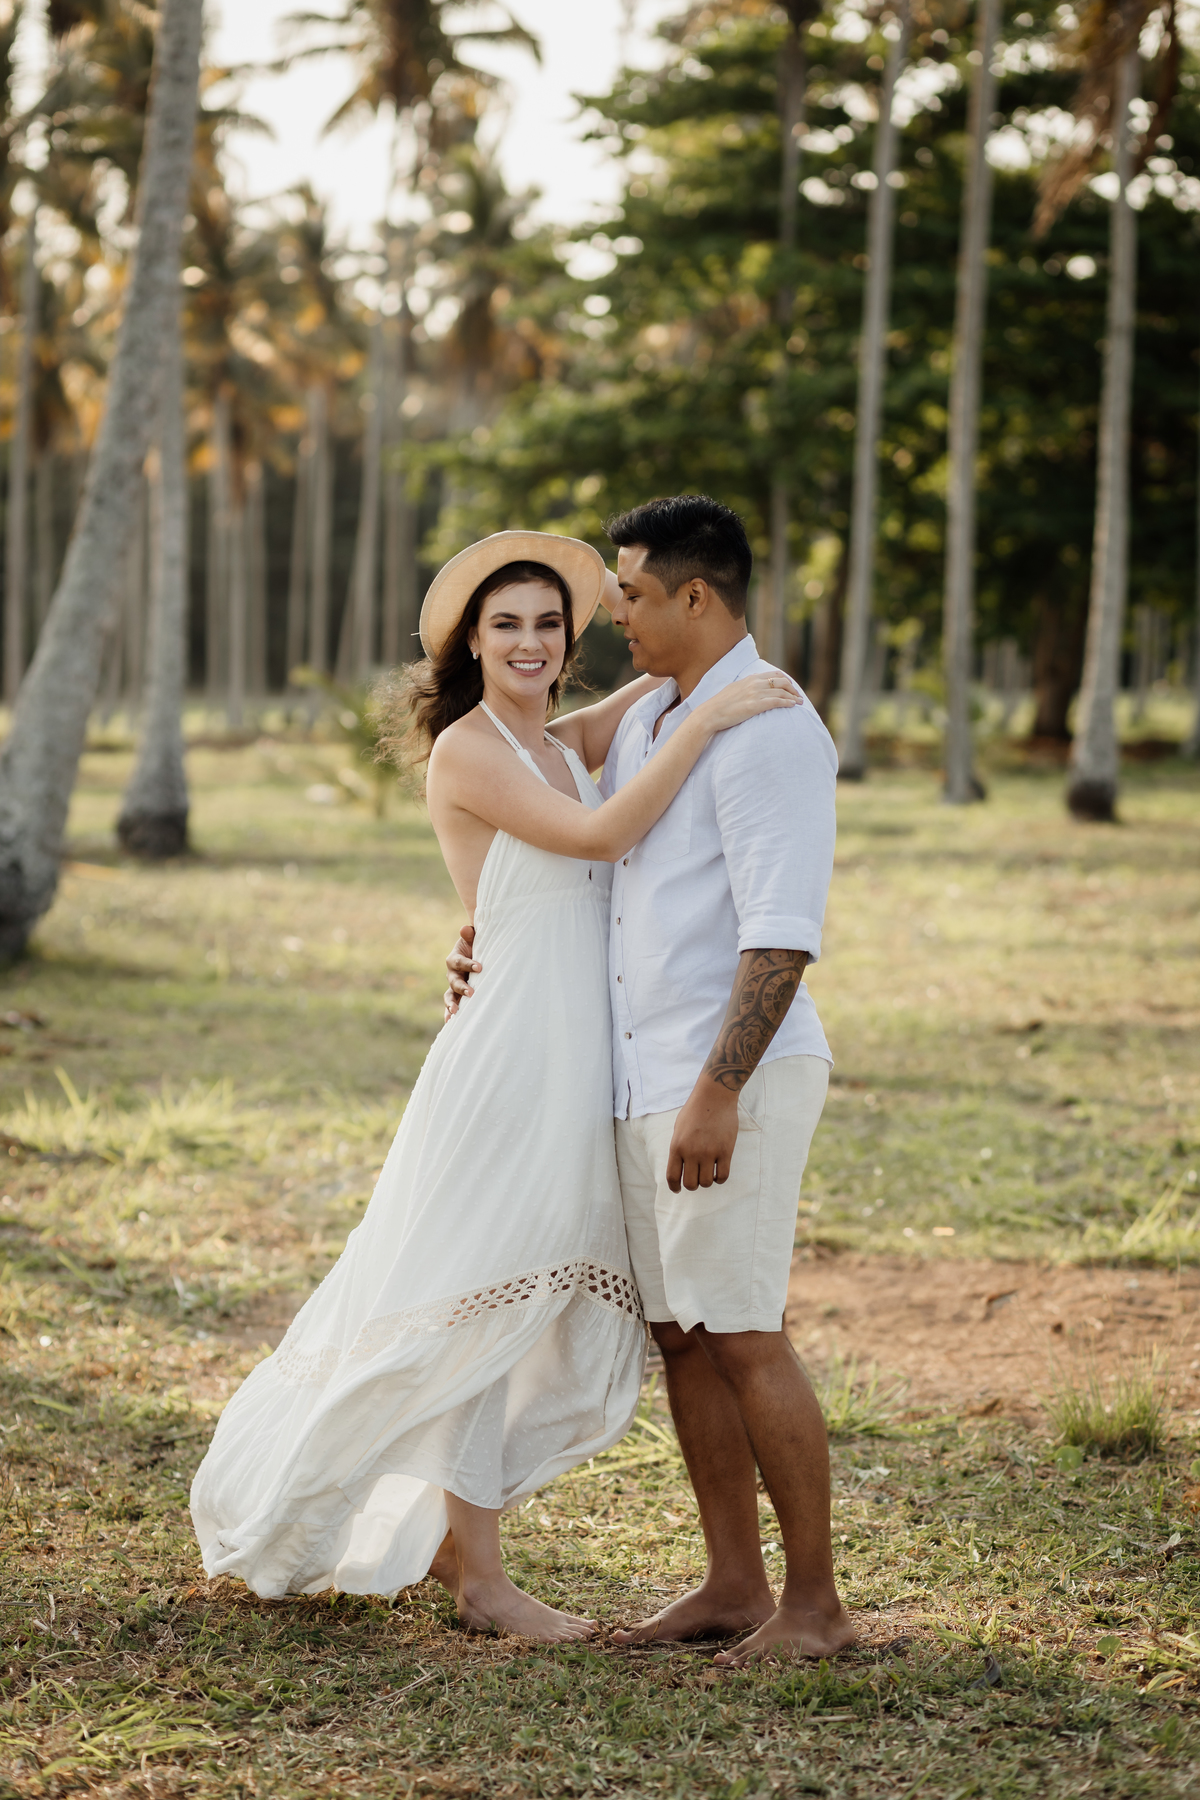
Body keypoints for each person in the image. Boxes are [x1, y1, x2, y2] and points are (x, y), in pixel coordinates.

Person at [189, 528, 797, 1644]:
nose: (530, 642)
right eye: (506, 624)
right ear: (470, 642)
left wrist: (709, 683)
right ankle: (481, 1577)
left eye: (549, 624)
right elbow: (604, 834)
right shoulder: (470, 750)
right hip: (513, 1053)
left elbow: (653, 691)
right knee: (483, 1284)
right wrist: (710, 721)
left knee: (514, 1291)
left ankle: (456, 1543)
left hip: (577, 1057)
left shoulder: (552, 739)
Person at [446, 496, 855, 1665]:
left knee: (745, 1332)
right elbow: (554, 818)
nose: (608, 613)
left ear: (694, 595)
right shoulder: (653, 716)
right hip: (640, 1076)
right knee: (682, 1334)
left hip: (723, 1076)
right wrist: (484, 934)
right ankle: (733, 1582)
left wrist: (719, 1091)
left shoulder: (768, 726)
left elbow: (781, 935)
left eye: (626, 592)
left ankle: (815, 1608)